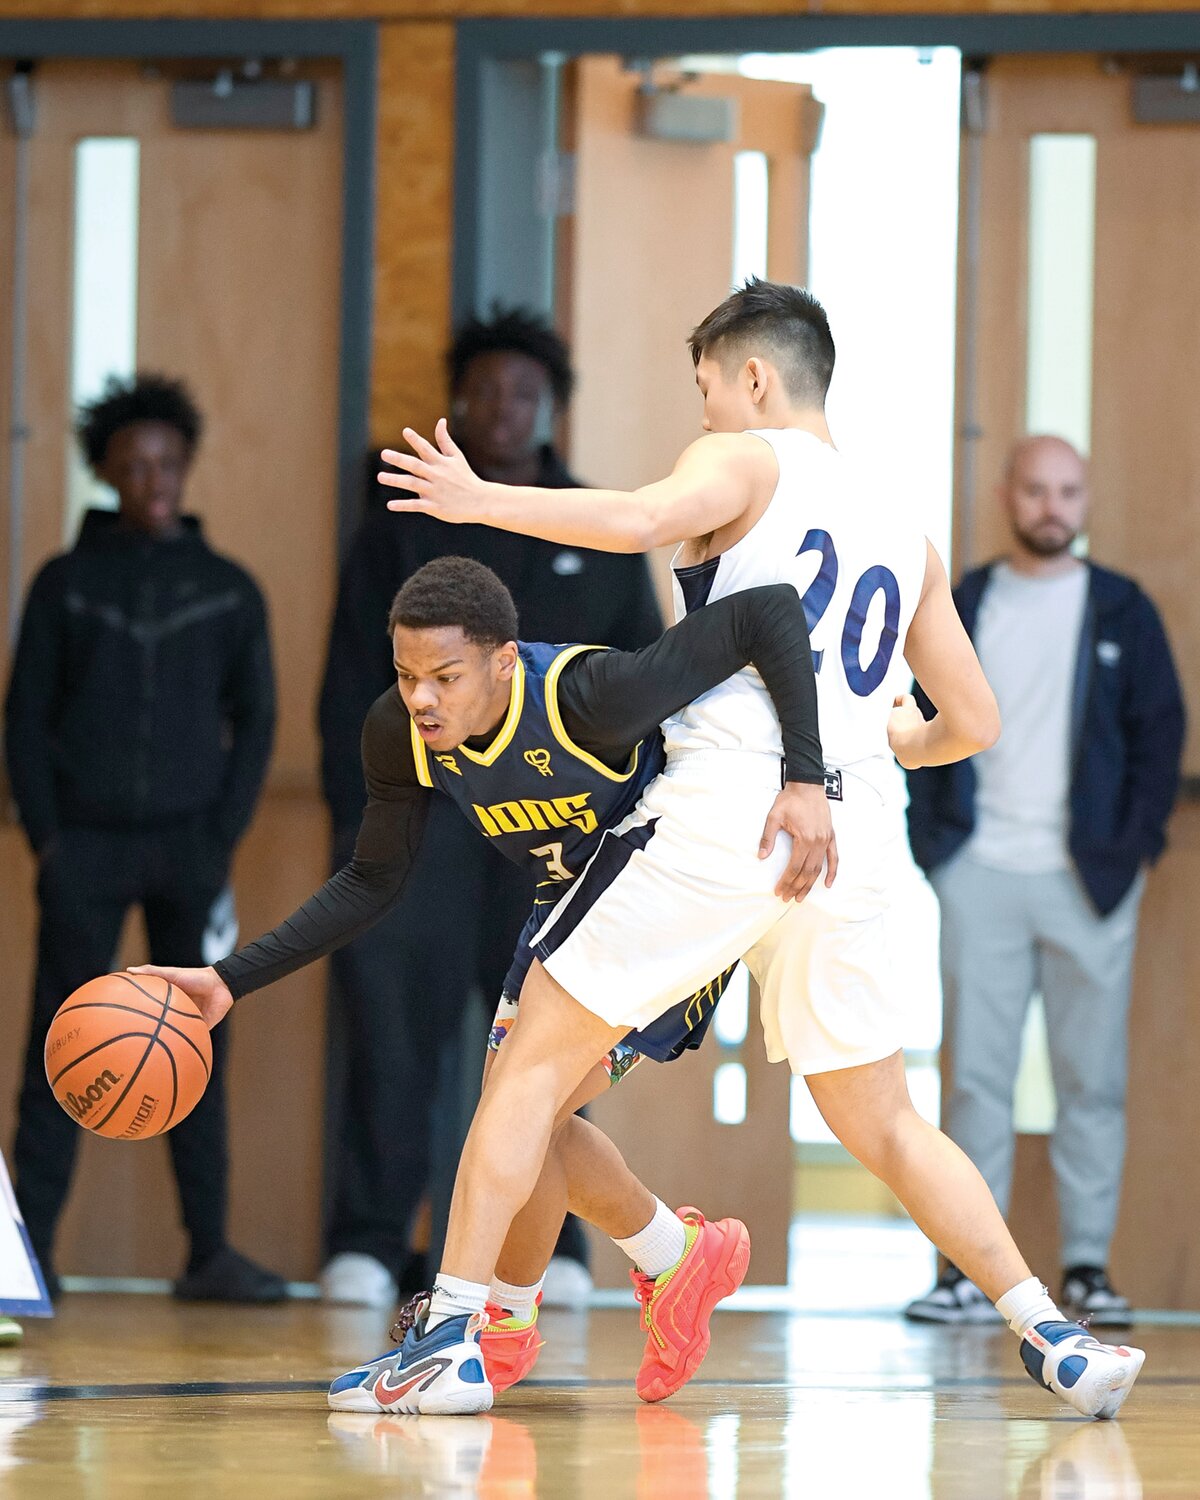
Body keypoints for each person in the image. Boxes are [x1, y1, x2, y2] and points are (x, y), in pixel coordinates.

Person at [368, 278, 1147, 1423]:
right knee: (884, 1119)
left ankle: (451, 1339)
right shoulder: (904, 524)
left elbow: (635, 519)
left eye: (706, 392)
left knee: (525, 1071)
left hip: (730, 813)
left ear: (753, 378)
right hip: (857, 831)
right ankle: (1052, 1331)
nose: (706, 419)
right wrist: (889, 736)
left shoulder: (750, 459)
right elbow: (973, 723)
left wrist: (480, 497)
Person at [133, 554, 833, 1406]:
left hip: (662, 901)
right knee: (523, 1113)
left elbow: (765, 611)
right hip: (573, 906)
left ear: (504, 661)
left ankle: (467, 1331)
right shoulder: (399, 730)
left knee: (516, 1101)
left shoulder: (588, 695)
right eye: (405, 674)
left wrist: (805, 778)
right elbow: (372, 879)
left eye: (444, 676)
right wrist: (228, 981)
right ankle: (674, 1259)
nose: (420, 698)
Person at [319, 309, 662, 1310]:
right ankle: (371, 1242)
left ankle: (552, 1256)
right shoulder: (403, 518)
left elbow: (641, 677)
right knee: (392, 1034)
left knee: (548, 1055)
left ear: (547, 406)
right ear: (460, 403)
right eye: (487, 393)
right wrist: (368, 822)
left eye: (524, 393)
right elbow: (352, 679)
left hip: (557, 846)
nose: (505, 410)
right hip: (428, 834)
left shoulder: (591, 521)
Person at [4, 373, 285, 1304]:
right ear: (107, 473)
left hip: (189, 856)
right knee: (62, 1051)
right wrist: (50, 841)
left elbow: (258, 723)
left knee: (194, 1053)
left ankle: (209, 1254)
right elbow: (24, 720)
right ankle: (24, 1261)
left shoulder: (229, 589)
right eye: (133, 465)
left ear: (186, 467)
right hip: (84, 850)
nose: (152, 478)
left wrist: (219, 842)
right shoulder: (66, 583)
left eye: (166, 462)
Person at [903, 435, 1185, 1328]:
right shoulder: (968, 599)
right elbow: (910, 719)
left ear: (1087, 499)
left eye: (1068, 491)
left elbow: (1159, 739)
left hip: (1089, 881)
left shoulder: (1123, 611)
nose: (1052, 507)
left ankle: (1088, 1269)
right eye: (1036, 490)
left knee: (1090, 1080)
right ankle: (963, 1276)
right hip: (979, 871)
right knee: (975, 1079)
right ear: (1006, 496)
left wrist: (1130, 849)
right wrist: (936, 849)